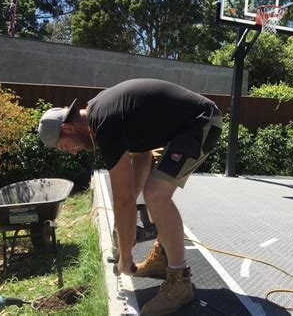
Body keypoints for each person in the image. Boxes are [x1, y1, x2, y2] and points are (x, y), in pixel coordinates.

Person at [38, 78, 222, 315]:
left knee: (156, 194)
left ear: (68, 129)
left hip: (202, 122)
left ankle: (180, 282)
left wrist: (125, 257)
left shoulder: (105, 124)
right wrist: (123, 219)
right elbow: (143, 158)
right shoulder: (102, 111)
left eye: (66, 147)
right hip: (188, 125)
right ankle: (164, 255)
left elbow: (123, 198)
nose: (73, 153)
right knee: (151, 192)